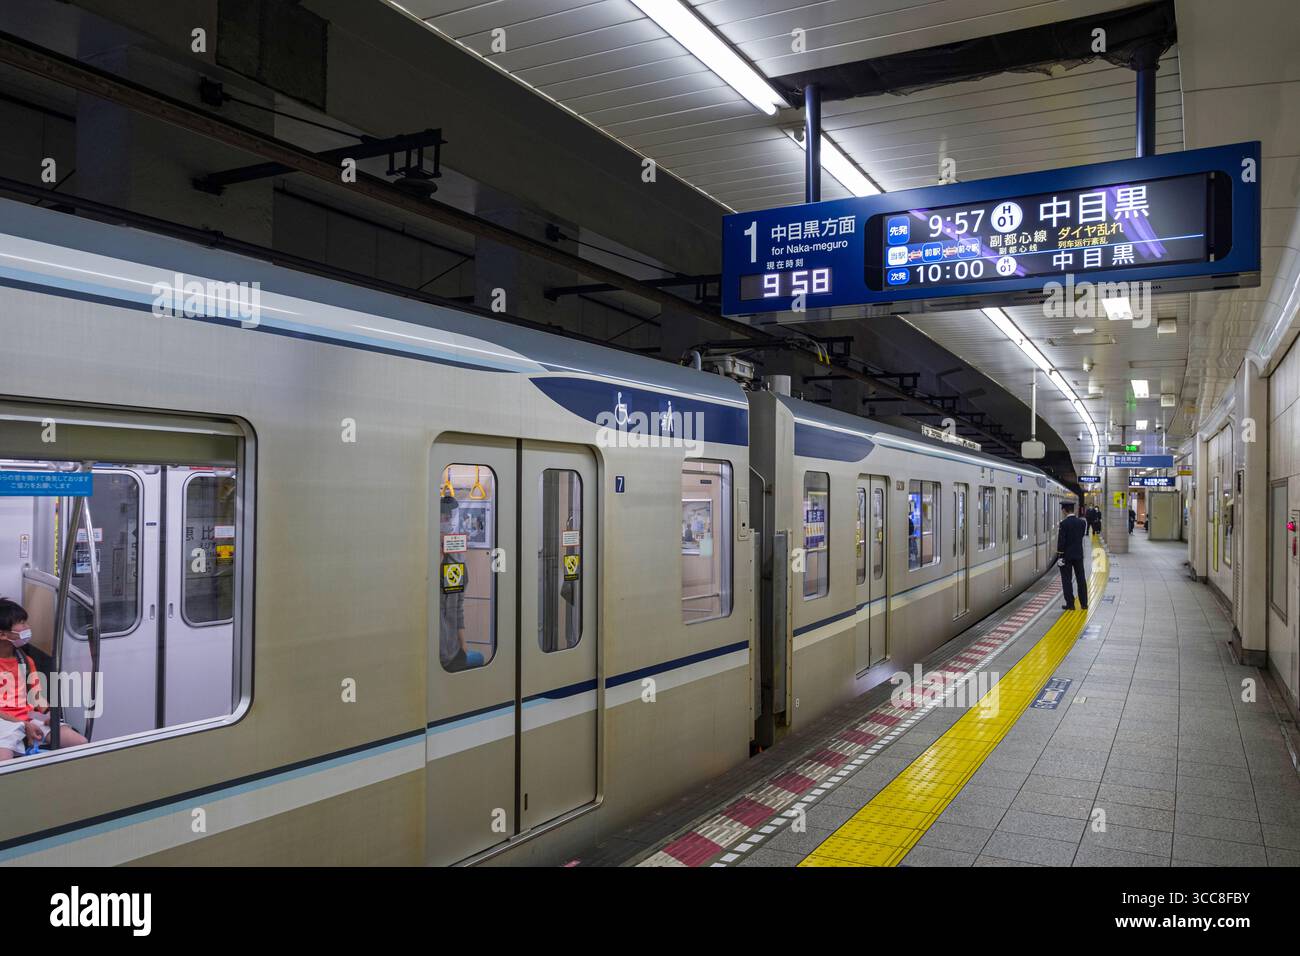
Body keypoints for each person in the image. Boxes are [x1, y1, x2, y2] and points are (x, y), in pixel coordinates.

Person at [0, 598, 88, 760]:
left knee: (79, 743)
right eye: (21, 623)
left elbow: (36, 697)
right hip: (3, 722)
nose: (27, 627)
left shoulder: (24, 661)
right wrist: (23, 725)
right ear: (3, 634)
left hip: (28, 717)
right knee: (4, 762)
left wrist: (50, 715)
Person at [1056, 503, 1089, 611]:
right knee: (1081, 579)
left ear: (1065, 510)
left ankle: (1070, 604)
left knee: (1067, 580)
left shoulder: (1064, 524)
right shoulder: (1082, 523)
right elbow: (1080, 537)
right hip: (1079, 555)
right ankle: (1084, 604)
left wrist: (1060, 555)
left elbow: (1061, 542)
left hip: (1067, 556)